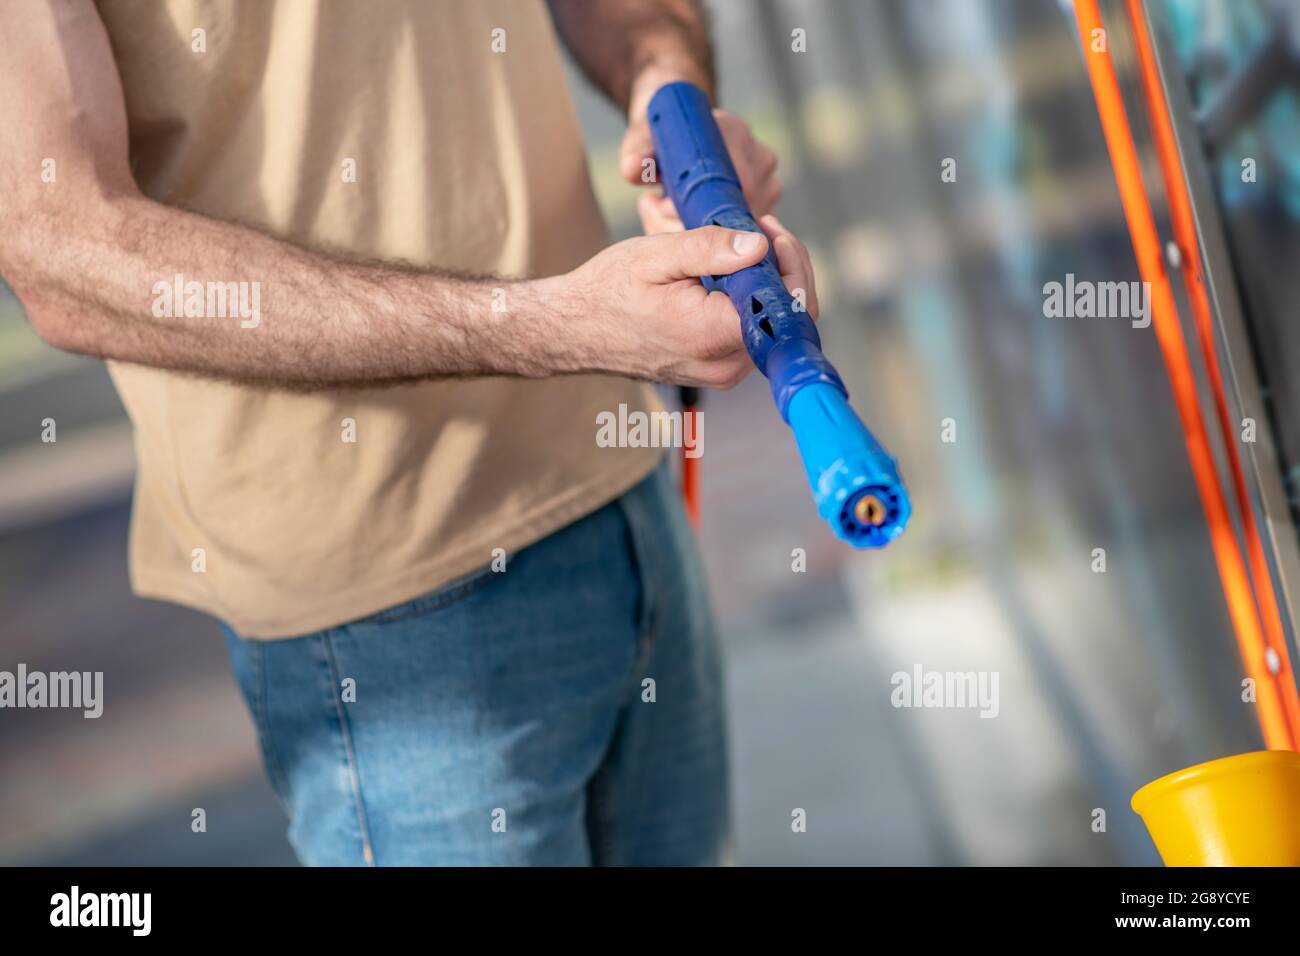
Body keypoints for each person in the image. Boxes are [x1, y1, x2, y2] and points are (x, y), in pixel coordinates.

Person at [0, 0, 817, 865]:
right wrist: (553, 326)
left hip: (619, 485)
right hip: (381, 615)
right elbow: (62, 245)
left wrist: (670, 100)